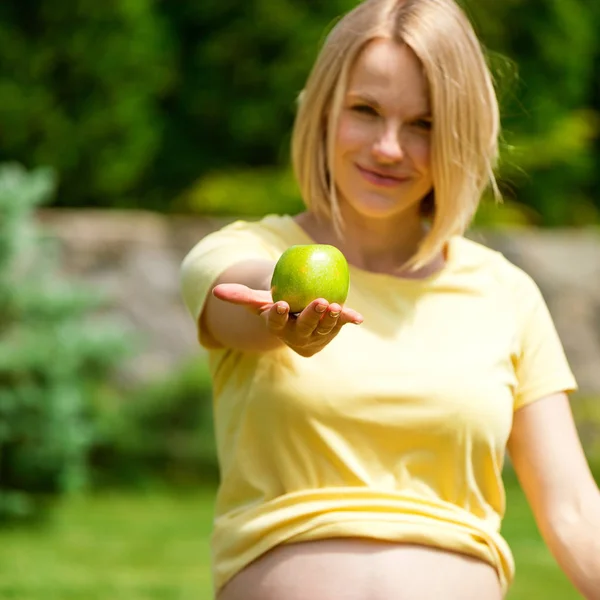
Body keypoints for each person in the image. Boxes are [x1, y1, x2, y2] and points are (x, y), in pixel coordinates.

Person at [180, 0, 600, 598]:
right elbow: (239, 303)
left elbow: (576, 511)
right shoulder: (244, 250)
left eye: (423, 124)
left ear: (460, 132)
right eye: (365, 111)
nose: (388, 148)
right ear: (324, 110)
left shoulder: (505, 293)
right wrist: (284, 318)